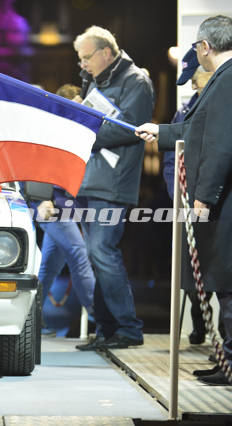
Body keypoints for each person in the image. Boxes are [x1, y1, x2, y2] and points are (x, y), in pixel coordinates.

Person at [136, 15, 232, 386]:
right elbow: (196, 130)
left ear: (205, 46)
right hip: (221, 202)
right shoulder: (223, 79)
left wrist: (203, 198)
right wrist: (160, 131)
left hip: (222, 203)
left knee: (227, 284)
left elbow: (220, 145)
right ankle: (226, 360)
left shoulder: (226, 80)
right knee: (223, 283)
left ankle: (230, 364)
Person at [72, 26, 154, 351]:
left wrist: (85, 132)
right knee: (97, 255)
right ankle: (107, 329)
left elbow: (130, 128)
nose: (83, 65)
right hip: (92, 180)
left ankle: (128, 328)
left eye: (86, 58)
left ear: (106, 52)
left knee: (102, 251)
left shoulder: (136, 81)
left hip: (114, 183)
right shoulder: (97, 80)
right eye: (80, 60)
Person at [163, 53, 223, 346]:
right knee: (193, 269)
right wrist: (177, 194)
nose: (194, 90)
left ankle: (222, 341)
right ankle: (201, 326)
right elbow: (172, 159)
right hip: (190, 200)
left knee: (220, 272)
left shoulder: (220, 105)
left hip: (213, 200)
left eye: (197, 84)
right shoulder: (186, 111)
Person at [31, 84, 95, 333]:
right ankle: (101, 319)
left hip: (63, 203)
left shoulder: (73, 129)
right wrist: (42, 198)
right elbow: (38, 165)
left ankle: (31, 318)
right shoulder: (50, 129)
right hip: (52, 204)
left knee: (50, 266)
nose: (82, 108)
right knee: (79, 256)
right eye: (77, 104)